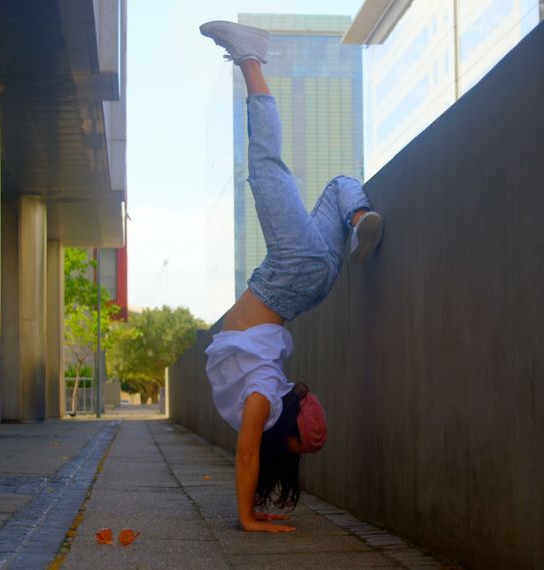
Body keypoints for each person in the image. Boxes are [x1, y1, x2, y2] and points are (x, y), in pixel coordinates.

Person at [198, 20, 383, 533]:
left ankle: (357, 215)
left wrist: (249, 513)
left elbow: (249, 456)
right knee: (266, 167)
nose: (301, 391)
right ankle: (251, 59)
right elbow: (247, 455)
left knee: (336, 182)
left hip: (314, 280)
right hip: (291, 273)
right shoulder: (263, 394)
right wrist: (245, 517)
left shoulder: (265, 395)